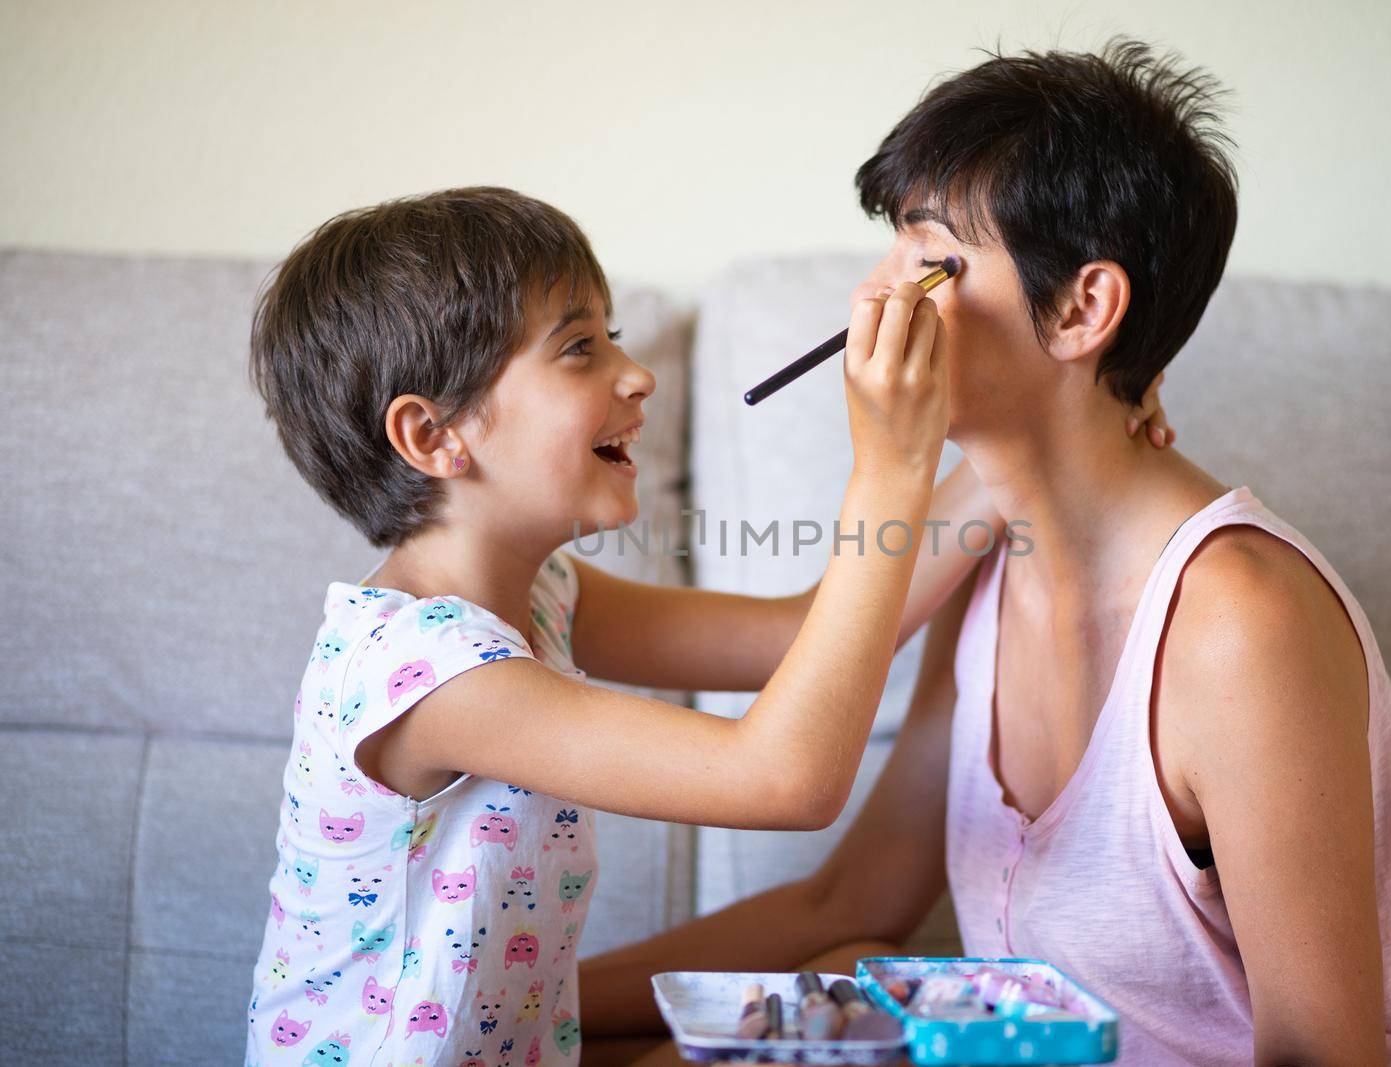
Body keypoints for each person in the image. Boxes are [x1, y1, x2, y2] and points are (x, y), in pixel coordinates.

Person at [580, 42, 1391, 1066]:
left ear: (1082, 308)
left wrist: (890, 464)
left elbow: (1318, 1051)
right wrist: (516, 1010)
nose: (874, 299)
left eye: (928, 258)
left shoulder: (1239, 626)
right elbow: (844, 899)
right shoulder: (989, 556)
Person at [241, 184, 979, 1065]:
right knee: (862, 1024)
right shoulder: (432, 671)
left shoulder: (538, 592)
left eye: (613, 337)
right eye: (579, 348)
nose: (637, 375)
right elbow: (789, 779)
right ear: (433, 436)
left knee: (861, 983)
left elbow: (798, 636)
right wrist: (891, 465)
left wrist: (1015, 462)